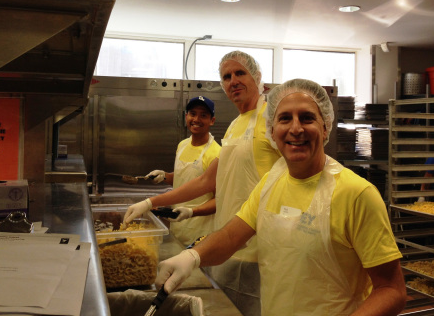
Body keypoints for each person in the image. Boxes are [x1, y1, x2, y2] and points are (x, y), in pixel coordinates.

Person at [155, 79, 407, 316]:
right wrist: (192, 257)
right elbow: (231, 236)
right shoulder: (271, 182)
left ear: (325, 126)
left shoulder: (357, 195)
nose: (296, 128)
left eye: (307, 118)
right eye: (285, 118)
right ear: (272, 132)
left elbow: (392, 291)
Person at [123, 51, 281, 315]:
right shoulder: (234, 126)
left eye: (240, 73)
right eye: (226, 76)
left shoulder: (272, 119)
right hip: (227, 244)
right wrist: (151, 202)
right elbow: (207, 180)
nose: (233, 81)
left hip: (260, 248)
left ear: (256, 76)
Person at [144, 96, 221, 246]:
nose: (196, 119)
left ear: (212, 120)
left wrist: (192, 212)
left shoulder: (216, 154)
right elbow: (185, 179)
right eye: (192, 113)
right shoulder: (183, 145)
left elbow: (220, 200)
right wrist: (165, 177)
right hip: (177, 226)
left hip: (201, 233)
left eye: (203, 115)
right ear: (186, 116)